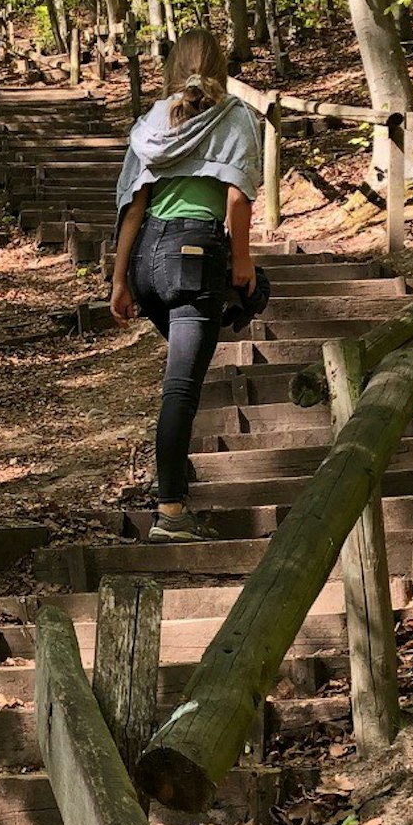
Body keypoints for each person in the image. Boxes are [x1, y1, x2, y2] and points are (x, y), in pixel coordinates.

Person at [108, 27, 263, 542]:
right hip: (196, 255)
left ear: (173, 68)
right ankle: (171, 514)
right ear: (220, 67)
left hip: (148, 263)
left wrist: (119, 281)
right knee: (182, 386)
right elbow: (239, 196)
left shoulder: (151, 121)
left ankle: (174, 472)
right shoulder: (233, 115)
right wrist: (242, 259)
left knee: (183, 369)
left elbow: (133, 204)